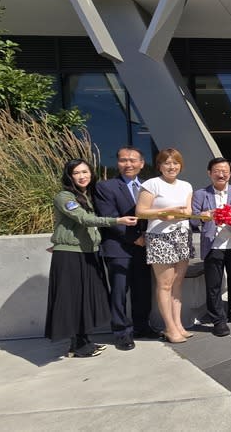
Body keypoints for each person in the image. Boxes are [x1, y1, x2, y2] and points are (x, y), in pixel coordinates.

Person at [47, 159, 137, 357]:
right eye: (77, 173)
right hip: (71, 255)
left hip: (87, 252)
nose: (82, 176)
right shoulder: (65, 197)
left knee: (85, 299)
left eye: (85, 172)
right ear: (69, 176)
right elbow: (84, 219)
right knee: (73, 299)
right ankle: (78, 346)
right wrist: (117, 220)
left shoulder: (85, 196)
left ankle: (83, 341)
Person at [94, 147, 153, 352]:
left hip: (145, 248)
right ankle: (121, 333)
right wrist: (135, 238)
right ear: (118, 163)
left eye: (133, 160)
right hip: (118, 248)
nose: (128, 164)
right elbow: (109, 217)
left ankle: (142, 327)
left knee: (143, 290)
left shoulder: (148, 186)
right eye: (123, 160)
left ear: (142, 163)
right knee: (119, 292)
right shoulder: (106, 187)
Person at [136, 148, 194, 343]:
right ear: (159, 165)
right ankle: (169, 328)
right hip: (161, 238)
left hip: (182, 235)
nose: (172, 166)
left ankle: (178, 325)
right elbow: (141, 212)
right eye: (167, 163)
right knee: (165, 284)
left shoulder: (186, 185)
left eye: (175, 163)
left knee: (177, 283)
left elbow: (188, 212)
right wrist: (164, 213)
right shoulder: (152, 184)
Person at [191, 158, 231, 337]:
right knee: (214, 285)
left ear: (230, 174)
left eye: (225, 171)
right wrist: (202, 216)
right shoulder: (201, 194)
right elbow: (193, 219)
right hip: (213, 245)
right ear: (209, 173)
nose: (221, 174)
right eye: (217, 170)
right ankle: (218, 320)